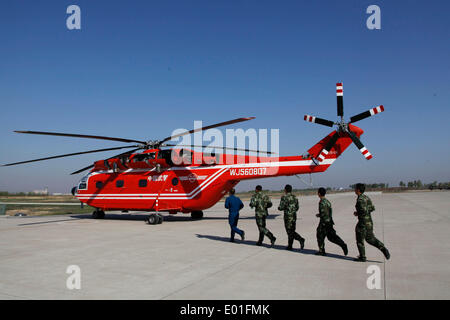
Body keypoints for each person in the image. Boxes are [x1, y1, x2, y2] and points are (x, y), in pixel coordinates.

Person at [353, 183, 390, 262]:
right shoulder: (366, 198)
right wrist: (361, 211)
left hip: (362, 223)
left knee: (360, 240)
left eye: (355, 188)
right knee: (370, 239)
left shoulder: (360, 200)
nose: (354, 190)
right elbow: (372, 208)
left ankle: (362, 257)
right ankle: (382, 248)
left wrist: (357, 213)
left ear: (358, 190)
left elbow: (364, 211)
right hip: (369, 222)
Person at [315, 187, 348, 256]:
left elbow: (323, 213)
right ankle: (342, 244)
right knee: (331, 237)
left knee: (320, 234)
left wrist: (319, 215)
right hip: (329, 221)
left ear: (319, 193)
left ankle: (322, 251)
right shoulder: (327, 201)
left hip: (324, 222)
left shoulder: (322, 202)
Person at [278, 184, 305, 251]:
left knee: (290, 232)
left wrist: (280, 208)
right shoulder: (295, 197)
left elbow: (281, 207)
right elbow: (297, 208)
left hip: (288, 217)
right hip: (294, 216)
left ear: (285, 190)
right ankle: (290, 246)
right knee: (292, 230)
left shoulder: (284, 197)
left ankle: (300, 239)